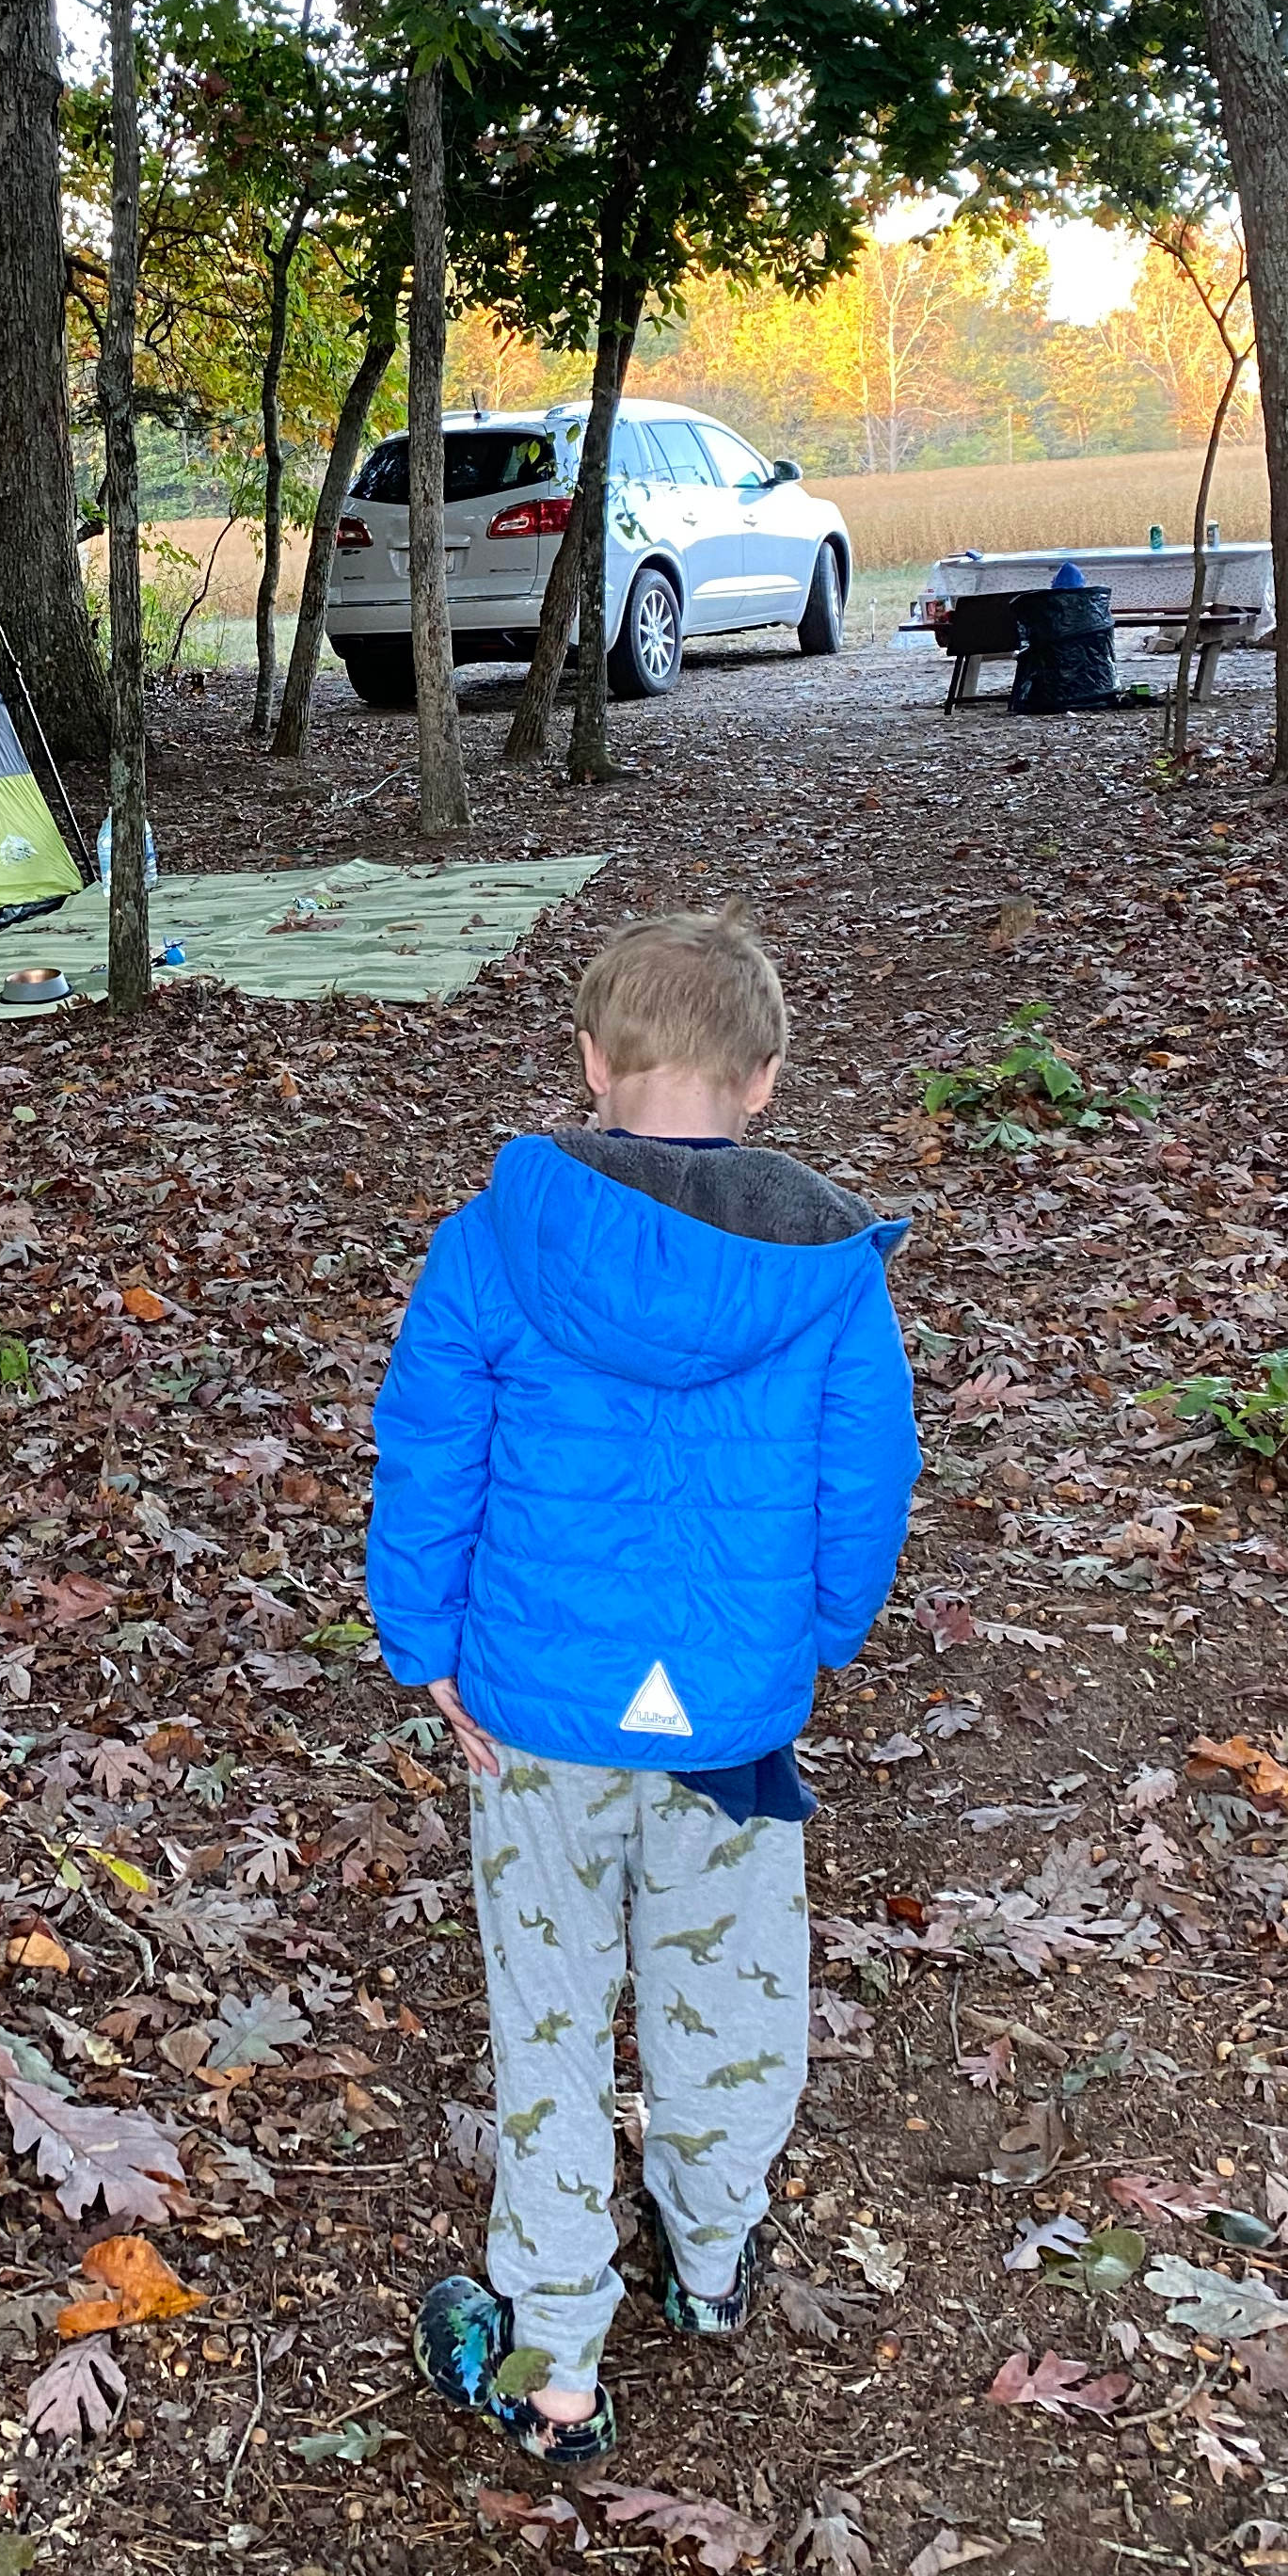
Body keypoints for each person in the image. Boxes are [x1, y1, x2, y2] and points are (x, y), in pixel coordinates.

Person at [365, 908, 918, 2461]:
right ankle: (714, 2257)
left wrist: (427, 1648)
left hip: (540, 1710)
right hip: (729, 1717)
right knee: (730, 1986)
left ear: (594, 1068)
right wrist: (812, 1638)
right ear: (764, 1081)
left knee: (550, 2018)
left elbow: (430, 1452)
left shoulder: (494, 1243)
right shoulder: (825, 1270)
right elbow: (867, 1478)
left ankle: (552, 2359)